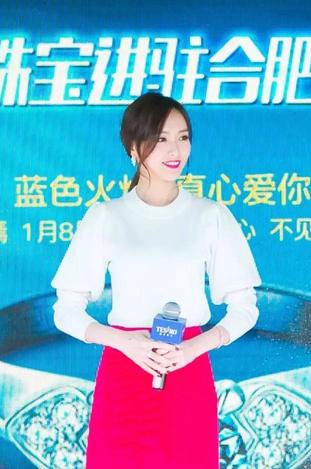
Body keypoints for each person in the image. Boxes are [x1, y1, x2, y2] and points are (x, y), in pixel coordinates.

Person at [52, 92, 261, 468]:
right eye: (161, 138)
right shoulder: (106, 216)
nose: (175, 149)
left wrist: (193, 349)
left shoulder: (210, 215)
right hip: (123, 369)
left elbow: (244, 307)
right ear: (133, 147)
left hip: (188, 370)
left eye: (183, 137)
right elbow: (65, 310)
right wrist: (123, 342)